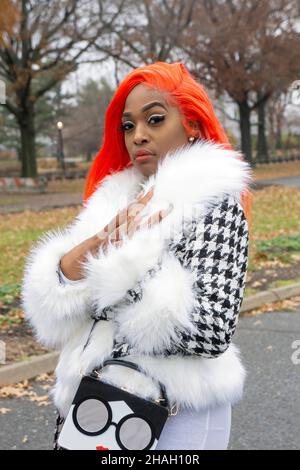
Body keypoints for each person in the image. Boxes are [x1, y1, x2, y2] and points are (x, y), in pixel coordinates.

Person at [21, 61, 253, 451]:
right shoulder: (113, 200)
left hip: (176, 410)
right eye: (128, 126)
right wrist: (90, 250)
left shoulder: (213, 202)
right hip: (95, 406)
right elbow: (60, 312)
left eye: (155, 119)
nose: (138, 135)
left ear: (192, 124)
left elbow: (211, 329)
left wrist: (120, 270)